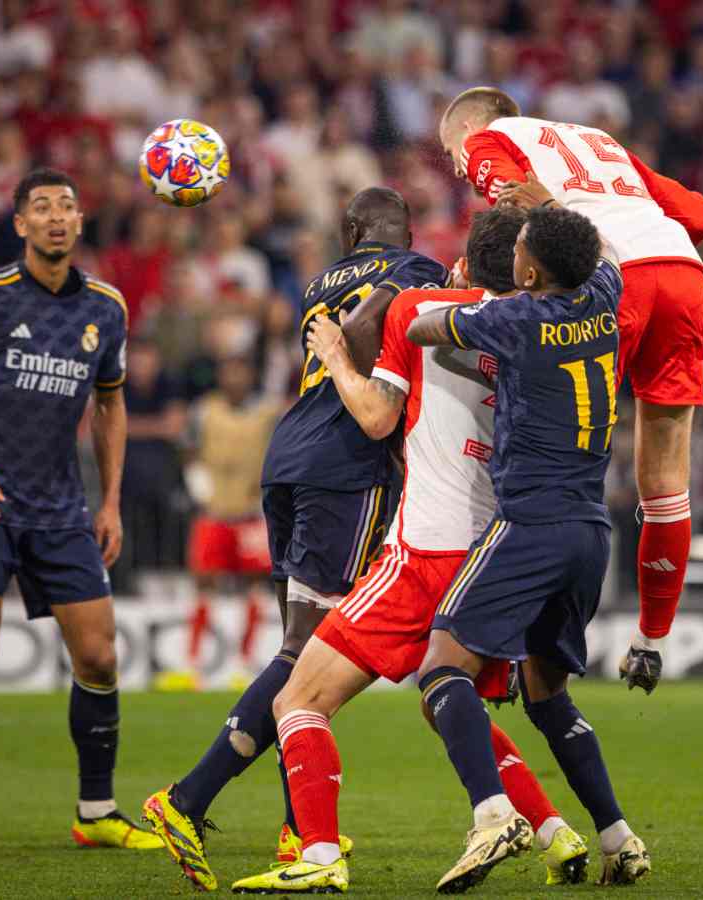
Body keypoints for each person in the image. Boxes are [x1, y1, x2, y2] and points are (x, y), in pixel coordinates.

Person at [230, 207, 589, 895]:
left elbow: (374, 417)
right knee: (448, 704)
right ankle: (552, 831)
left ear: (463, 262)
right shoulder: (539, 330)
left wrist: (335, 355)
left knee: (299, 700)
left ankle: (319, 854)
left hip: (425, 549)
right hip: (495, 553)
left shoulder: (425, 307)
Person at [143, 187, 451, 891]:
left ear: (350, 233)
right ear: (405, 232)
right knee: (309, 656)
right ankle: (186, 799)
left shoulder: (319, 282)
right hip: (345, 466)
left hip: (288, 457)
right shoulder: (416, 271)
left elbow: (341, 324)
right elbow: (374, 324)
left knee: (305, 649)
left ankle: (294, 828)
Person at [439, 87, 703, 692]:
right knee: (666, 473)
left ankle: (514, 637)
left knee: (549, 437)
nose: (461, 168)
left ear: (470, 131)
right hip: (681, 271)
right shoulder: (599, 140)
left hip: (613, 280)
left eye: (453, 154)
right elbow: (700, 216)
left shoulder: (490, 141)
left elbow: (516, 218)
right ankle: (651, 641)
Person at [0, 168, 161, 857]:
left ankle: (95, 811)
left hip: (61, 510)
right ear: (20, 224)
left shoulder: (105, 308)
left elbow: (111, 404)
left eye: (68, 206)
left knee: (101, 655)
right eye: (43, 208)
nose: (57, 217)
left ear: (79, 222)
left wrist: (108, 499)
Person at [406, 205, 648, 892]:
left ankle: (492, 816)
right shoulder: (604, 293)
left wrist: (468, 306)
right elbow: (604, 253)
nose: (512, 251)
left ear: (532, 269)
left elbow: (425, 327)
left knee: (442, 665)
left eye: (519, 246)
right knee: (546, 697)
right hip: (589, 531)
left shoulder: (514, 320)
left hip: (529, 525)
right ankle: (618, 838)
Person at [177, 353, 280, 689]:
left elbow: (281, 452)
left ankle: (242, 662)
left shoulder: (268, 413)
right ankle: (192, 665)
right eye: (229, 370)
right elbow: (187, 447)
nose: (234, 377)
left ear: (251, 374)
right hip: (214, 511)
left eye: (240, 370)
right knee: (203, 583)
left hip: (251, 513)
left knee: (253, 585)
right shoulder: (204, 410)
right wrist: (196, 480)